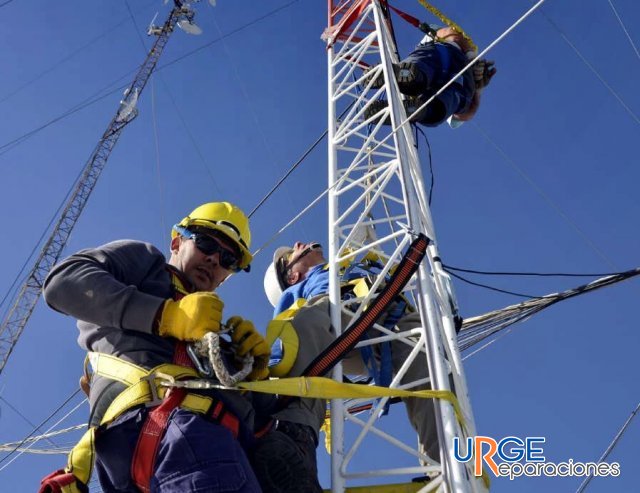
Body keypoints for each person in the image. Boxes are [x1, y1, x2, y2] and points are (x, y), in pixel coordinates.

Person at [40, 202, 271, 493]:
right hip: (177, 433)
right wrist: (165, 315)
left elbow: (260, 422)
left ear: (228, 274)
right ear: (177, 241)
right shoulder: (146, 265)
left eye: (228, 258)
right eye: (206, 243)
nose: (214, 259)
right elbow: (63, 282)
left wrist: (255, 374)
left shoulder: (213, 335)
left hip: (182, 450)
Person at [262, 241, 446, 478]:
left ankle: (443, 464)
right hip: (336, 320)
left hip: (388, 312)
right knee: (308, 319)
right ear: (294, 276)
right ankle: (293, 430)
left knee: (426, 356)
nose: (297, 245)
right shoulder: (297, 291)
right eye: (291, 254)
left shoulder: (352, 262)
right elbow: (288, 340)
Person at [365, 26, 496, 127]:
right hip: (459, 79)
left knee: (423, 66)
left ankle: (410, 77)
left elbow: (452, 34)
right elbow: (466, 115)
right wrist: (478, 88)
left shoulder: (429, 40)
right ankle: (419, 109)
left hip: (445, 57)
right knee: (441, 109)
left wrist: (472, 60)